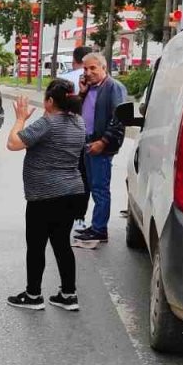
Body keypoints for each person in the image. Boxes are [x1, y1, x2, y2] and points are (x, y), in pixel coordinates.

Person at [5, 79, 87, 311]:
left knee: (37, 245)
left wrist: (20, 118)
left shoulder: (48, 123)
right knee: (62, 244)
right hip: (72, 192)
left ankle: (33, 296)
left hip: (44, 195)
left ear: (50, 101)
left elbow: (13, 143)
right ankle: (68, 295)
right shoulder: (78, 122)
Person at [74, 52, 127, 246]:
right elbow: (77, 111)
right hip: (86, 144)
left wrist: (103, 142)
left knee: (100, 189)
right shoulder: (90, 88)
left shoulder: (114, 88)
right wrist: (81, 92)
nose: (88, 72)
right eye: (85, 69)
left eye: (92, 68)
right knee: (91, 187)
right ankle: (95, 226)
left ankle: (99, 230)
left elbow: (119, 120)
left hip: (100, 147)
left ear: (104, 67)